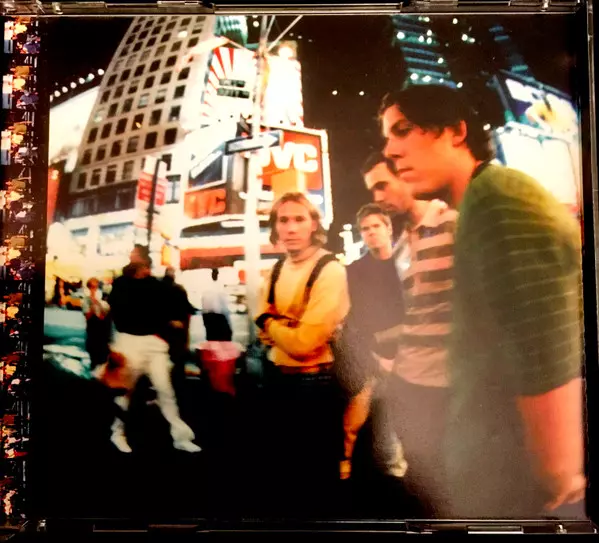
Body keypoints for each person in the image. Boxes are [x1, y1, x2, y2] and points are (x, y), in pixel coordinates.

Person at [380, 84, 585, 518]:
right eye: (387, 136)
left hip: (511, 490)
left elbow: (544, 356)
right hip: (485, 473)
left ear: (456, 131)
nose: (390, 150)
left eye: (403, 130)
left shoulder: (500, 203)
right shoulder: (478, 203)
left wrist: (557, 475)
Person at [362, 148, 457, 515]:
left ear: (405, 175)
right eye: (372, 191)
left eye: (382, 185)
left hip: (452, 383)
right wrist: (377, 344)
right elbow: (419, 314)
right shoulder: (402, 247)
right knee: (421, 483)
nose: (378, 198)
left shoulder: (452, 223)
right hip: (411, 382)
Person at [254, 192, 350, 515]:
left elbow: (303, 342)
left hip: (315, 384)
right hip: (275, 378)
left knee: (316, 476)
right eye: (283, 220)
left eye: (299, 219)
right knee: (282, 470)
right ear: (275, 227)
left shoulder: (330, 270)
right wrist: (284, 328)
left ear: (313, 225)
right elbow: (261, 328)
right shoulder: (276, 269)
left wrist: (271, 322)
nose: (291, 228)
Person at [339, 198, 407, 482]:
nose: (371, 232)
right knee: (371, 421)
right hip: (374, 357)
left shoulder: (404, 266)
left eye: (376, 226)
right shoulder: (354, 271)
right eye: (365, 228)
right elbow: (354, 320)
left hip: (408, 354)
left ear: (389, 228)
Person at [107, 246, 200, 454]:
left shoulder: (153, 285)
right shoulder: (122, 283)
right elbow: (118, 313)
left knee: (165, 390)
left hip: (152, 343)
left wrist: (170, 321)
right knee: (125, 393)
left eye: (136, 256)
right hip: (129, 341)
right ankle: (117, 432)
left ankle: (181, 438)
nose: (133, 259)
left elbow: (167, 308)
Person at [82, 277, 111, 370]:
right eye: (92, 287)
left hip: (103, 333)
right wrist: (92, 305)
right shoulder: (86, 300)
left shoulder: (103, 301)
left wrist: (98, 303)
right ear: (88, 288)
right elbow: (87, 316)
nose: (94, 289)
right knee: (94, 355)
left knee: (103, 356)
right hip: (93, 332)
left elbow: (104, 316)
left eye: (96, 286)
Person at [201, 268, 232, 342]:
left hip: (207, 316)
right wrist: (229, 322)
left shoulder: (206, 286)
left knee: (211, 338)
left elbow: (204, 302)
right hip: (217, 316)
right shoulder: (220, 287)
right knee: (222, 339)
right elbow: (224, 307)